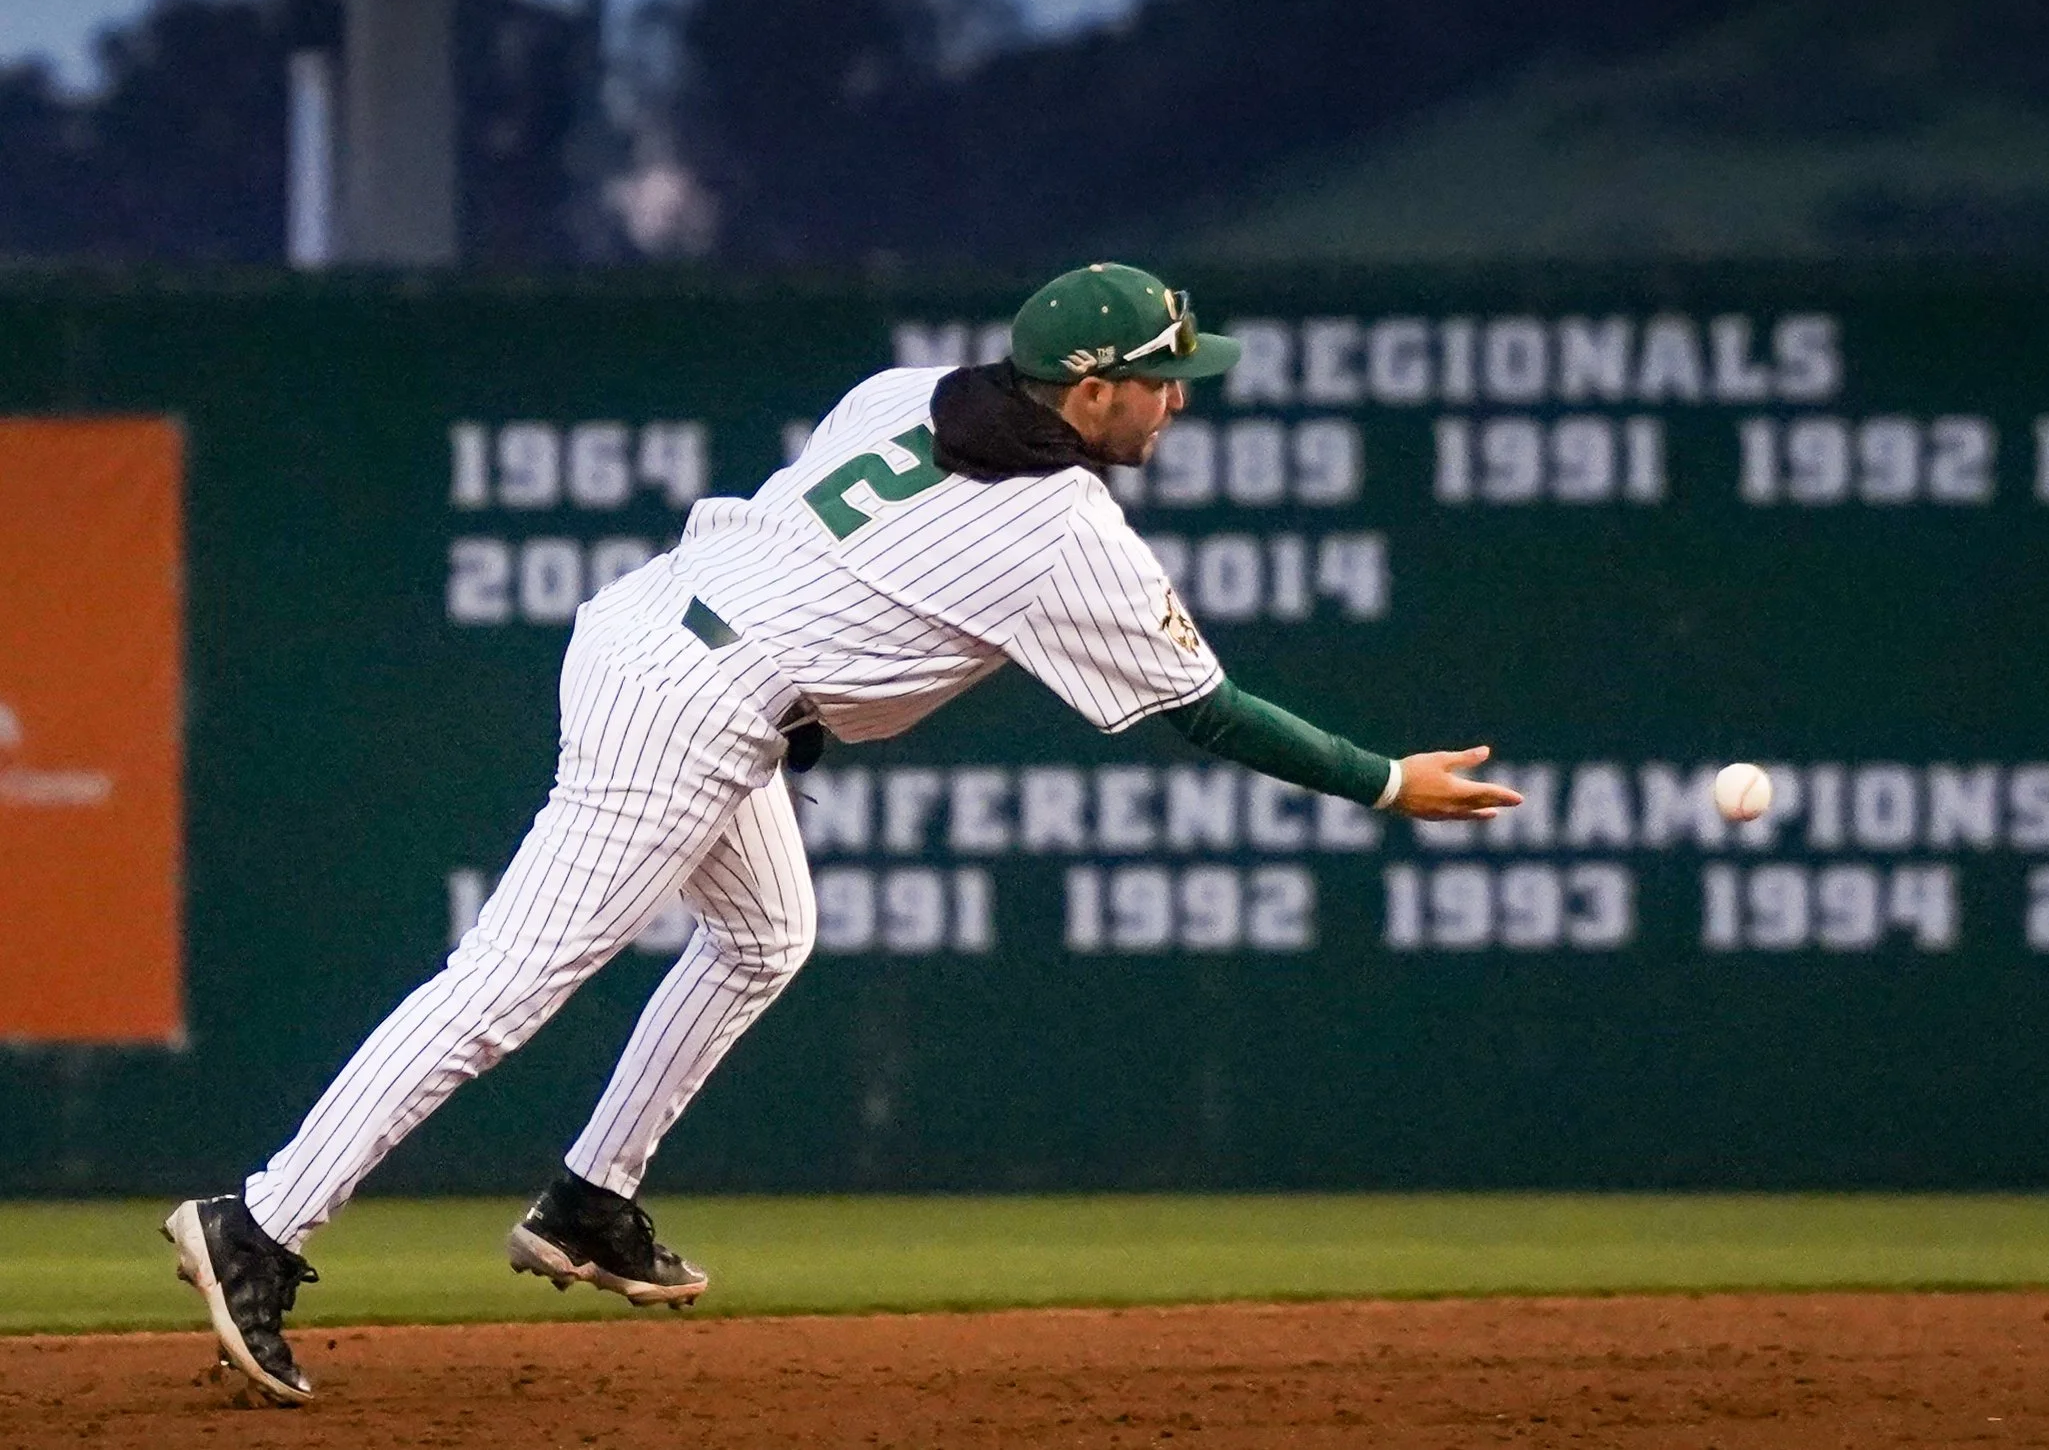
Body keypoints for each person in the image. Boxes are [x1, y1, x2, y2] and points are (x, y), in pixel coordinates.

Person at [163, 262, 1522, 1404]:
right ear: (1091, 386)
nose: (1182, 399)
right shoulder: (1067, 528)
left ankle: (588, 1201)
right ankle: (259, 1221)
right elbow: (1209, 713)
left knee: (766, 933)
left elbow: (828, 564)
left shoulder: (904, 393)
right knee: (500, 987)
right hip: (696, 702)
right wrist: (1386, 783)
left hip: (663, 636)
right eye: (1166, 378)